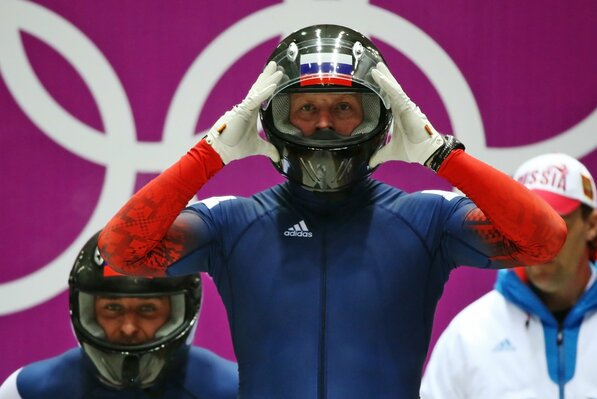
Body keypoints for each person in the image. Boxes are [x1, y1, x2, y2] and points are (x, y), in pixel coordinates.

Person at [97, 24, 567, 398]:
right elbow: (122, 253)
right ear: (272, 117)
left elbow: (545, 240)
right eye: (305, 108)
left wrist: (441, 153)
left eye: (344, 106)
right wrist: (211, 151)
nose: (323, 123)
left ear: (379, 117)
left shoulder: (429, 220)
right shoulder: (229, 223)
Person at [420, 153, 597, 399]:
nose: (541, 240)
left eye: (555, 223)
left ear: (592, 225)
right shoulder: (470, 334)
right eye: (528, 226)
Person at [0, 231, 238, 399]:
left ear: (179, 312)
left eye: (148, 309)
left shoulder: (241, 392)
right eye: (113, 308)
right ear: (88, 312)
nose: (128, 327)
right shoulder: (26, 393)